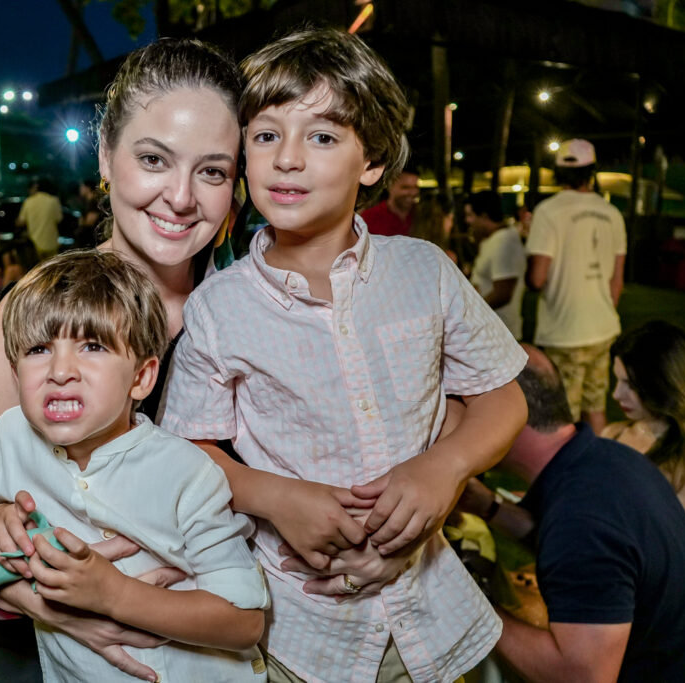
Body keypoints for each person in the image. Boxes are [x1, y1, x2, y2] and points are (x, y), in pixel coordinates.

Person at [161, 28, 528, 682]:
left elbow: (502, 395)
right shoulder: (219, 305)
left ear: (373, 163)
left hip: (431, 612)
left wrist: (444, 470)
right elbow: (188, 447)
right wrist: (277, 497)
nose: (288, 159)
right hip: (301, 628)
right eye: (266, 135)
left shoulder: (426, 269)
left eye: (322, 137)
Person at [0, 38, 244, 683]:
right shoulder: (42, 315)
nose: (181, 197)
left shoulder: (252, 307)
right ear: (105, 158)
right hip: (44, 654)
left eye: (211, 171)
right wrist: (50, 606)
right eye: (154, 159)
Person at [0, 250, 267, 681]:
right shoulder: (10, 434)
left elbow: (245, 623)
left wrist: (113, 594)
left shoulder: (186, 473)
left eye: (92, 346)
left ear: (141, 378)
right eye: (38, 349)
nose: (60, 371)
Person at [456, 345, 685, 681]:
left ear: (508, 416)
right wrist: (488, 507)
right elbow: (579, 550)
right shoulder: (604, 456)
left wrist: (471, 606)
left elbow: (582, 676)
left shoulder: (581, 517)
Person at [526, 138, 626, 433]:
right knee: (595, 409)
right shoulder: (612, 214)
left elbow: (537, 278)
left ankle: (568, 477)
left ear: (558, 172)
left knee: (563, 419)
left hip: (564, 332)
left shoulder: (549, 212)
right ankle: (598, 473)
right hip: (603, 328)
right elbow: (616, 281)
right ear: (591, 171)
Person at [602, 320, 685, 549]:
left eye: (630, 385)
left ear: (665, 384)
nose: (616, 395)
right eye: (617, 380)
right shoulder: (611, 436)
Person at [466, 191, 525, 339]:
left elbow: (503, 293)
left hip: (501, 334)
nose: (468, 221)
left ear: (485, 216)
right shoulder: (492, 240)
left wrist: (471, 313)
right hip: (489, 332)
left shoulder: (504, 243)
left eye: (471, 215)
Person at [359, 165, 419, 236]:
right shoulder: (370, 218)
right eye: (405, 187)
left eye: (415, 187)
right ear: (390, 186)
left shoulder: (423, 215)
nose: (412, 192)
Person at [16, 178, 64, 261]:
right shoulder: (53, 201)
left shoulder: (28, 202)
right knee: (51, 269)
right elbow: (59, 219)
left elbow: (21, 221)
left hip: (35, 244)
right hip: (51, 243)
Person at [408, 194, 457, 263]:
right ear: (438, 221)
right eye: (449, 218)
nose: (451, 224)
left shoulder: (408, 252)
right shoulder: (446, 257)